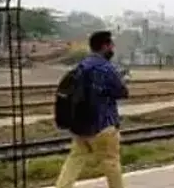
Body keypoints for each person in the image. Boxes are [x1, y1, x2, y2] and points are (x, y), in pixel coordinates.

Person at [55, 31, 130, 188]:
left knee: (74, 160)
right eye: (111, 45)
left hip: (80, 125)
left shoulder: (81, 66)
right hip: (104, 126)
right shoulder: (106, 68)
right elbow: (122, 92)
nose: (112, 48)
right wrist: (123, 81)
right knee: (111, 164)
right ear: (104, 46)